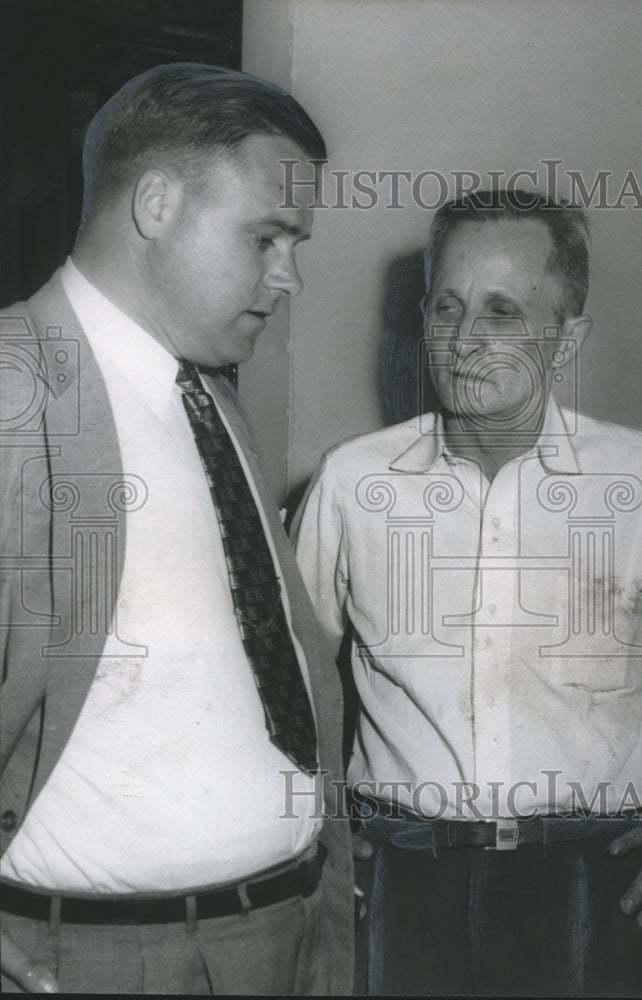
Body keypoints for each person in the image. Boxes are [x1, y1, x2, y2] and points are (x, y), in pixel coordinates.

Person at [292, 189, 642, 996]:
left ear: (565, 338)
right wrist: (315, 826)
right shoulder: (352, 482)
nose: (464, 340)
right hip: (402, 881)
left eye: (502, 311)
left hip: (599, 880)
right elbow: (282, 676)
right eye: (446, 305)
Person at [0, 62, 352, 995]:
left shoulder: (209, 398)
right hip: (105, 959)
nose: (289, 277)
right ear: (156, 204)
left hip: (289, 930)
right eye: (266, 237)